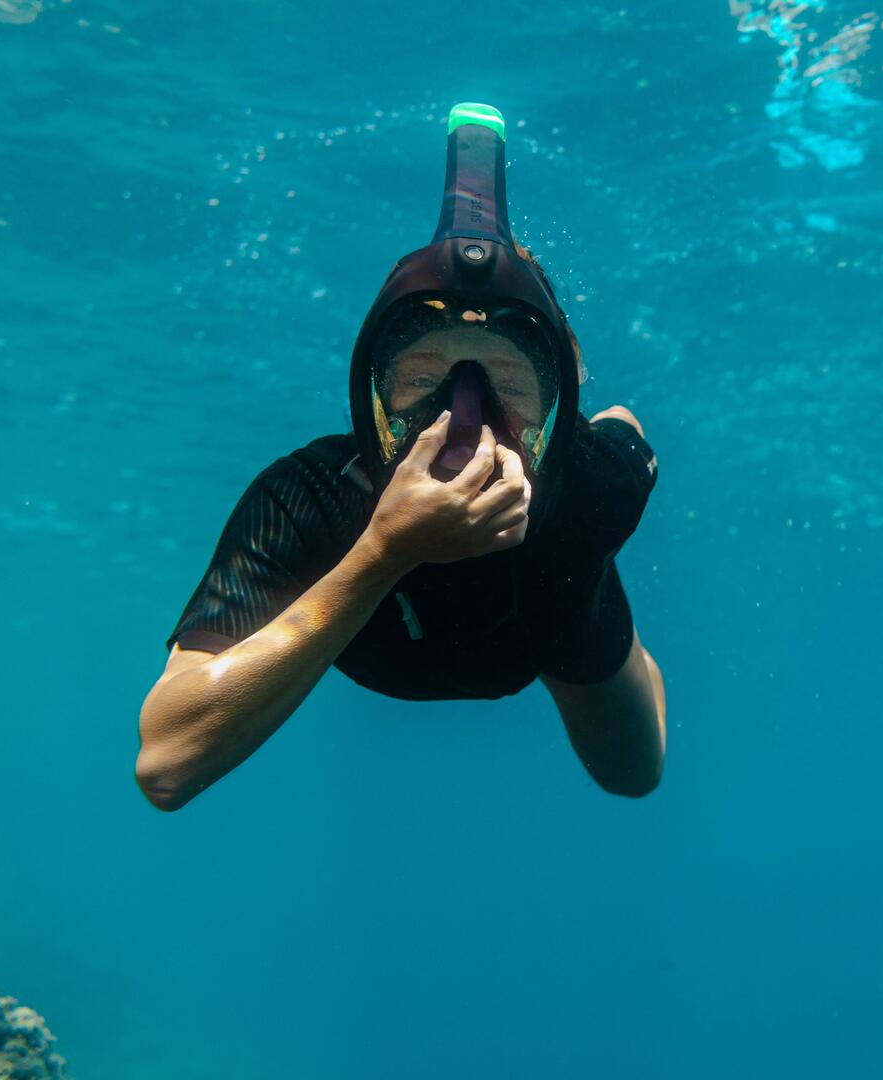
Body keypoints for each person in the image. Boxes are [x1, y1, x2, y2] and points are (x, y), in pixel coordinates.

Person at [135, 104, 665, 811]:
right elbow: (167, 765)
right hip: (380, 595)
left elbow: (619, 426)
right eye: (422, 383)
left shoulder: (592, 485)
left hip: (556, 618)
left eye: (508, 386)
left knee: (632, 774)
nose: (465, 422)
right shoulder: (309, 502)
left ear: (557, 410)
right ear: (371, 397)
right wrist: (382, 552)